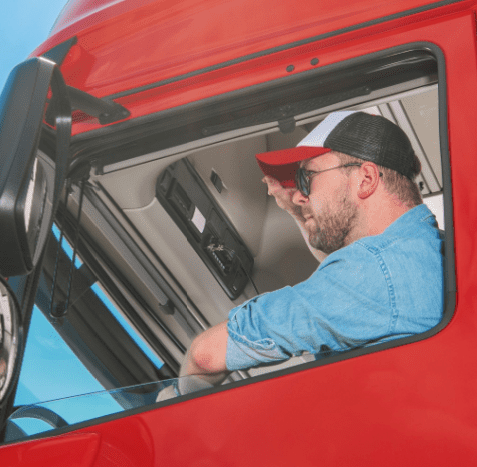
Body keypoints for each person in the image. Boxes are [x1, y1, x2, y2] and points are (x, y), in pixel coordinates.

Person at [179, 110, 443, 386]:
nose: (298, 194)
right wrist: (299, 211)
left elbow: (206, 356)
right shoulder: (419, 249)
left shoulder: (371, 270)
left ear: (366, 179)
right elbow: (343, 266)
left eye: (307, 178)